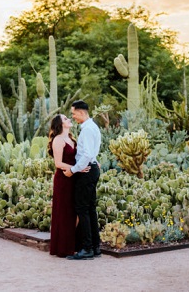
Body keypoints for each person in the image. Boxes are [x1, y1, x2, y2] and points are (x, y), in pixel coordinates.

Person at [64, 100, 102, 260]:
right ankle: (95, 246)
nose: (73, 117)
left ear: (81, 112)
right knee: (91, 208)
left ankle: (87, 249)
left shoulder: (87, 130)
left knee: (82, 209)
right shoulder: (93, 127)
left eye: (73, 113)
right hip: (92, 169)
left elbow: (86, 154)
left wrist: (73, 170)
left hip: (86, 171)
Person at [47, 114, 89, 258]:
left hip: (74, 177)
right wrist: (78, 168)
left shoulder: (71, 139)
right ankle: (64, 248)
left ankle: (73, 244)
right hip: (63, 179)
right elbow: (58, 164)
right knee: (64, 212)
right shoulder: (58, 140)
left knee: (75, 211)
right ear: (60, 124)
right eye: (65, 119)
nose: (69, 119)